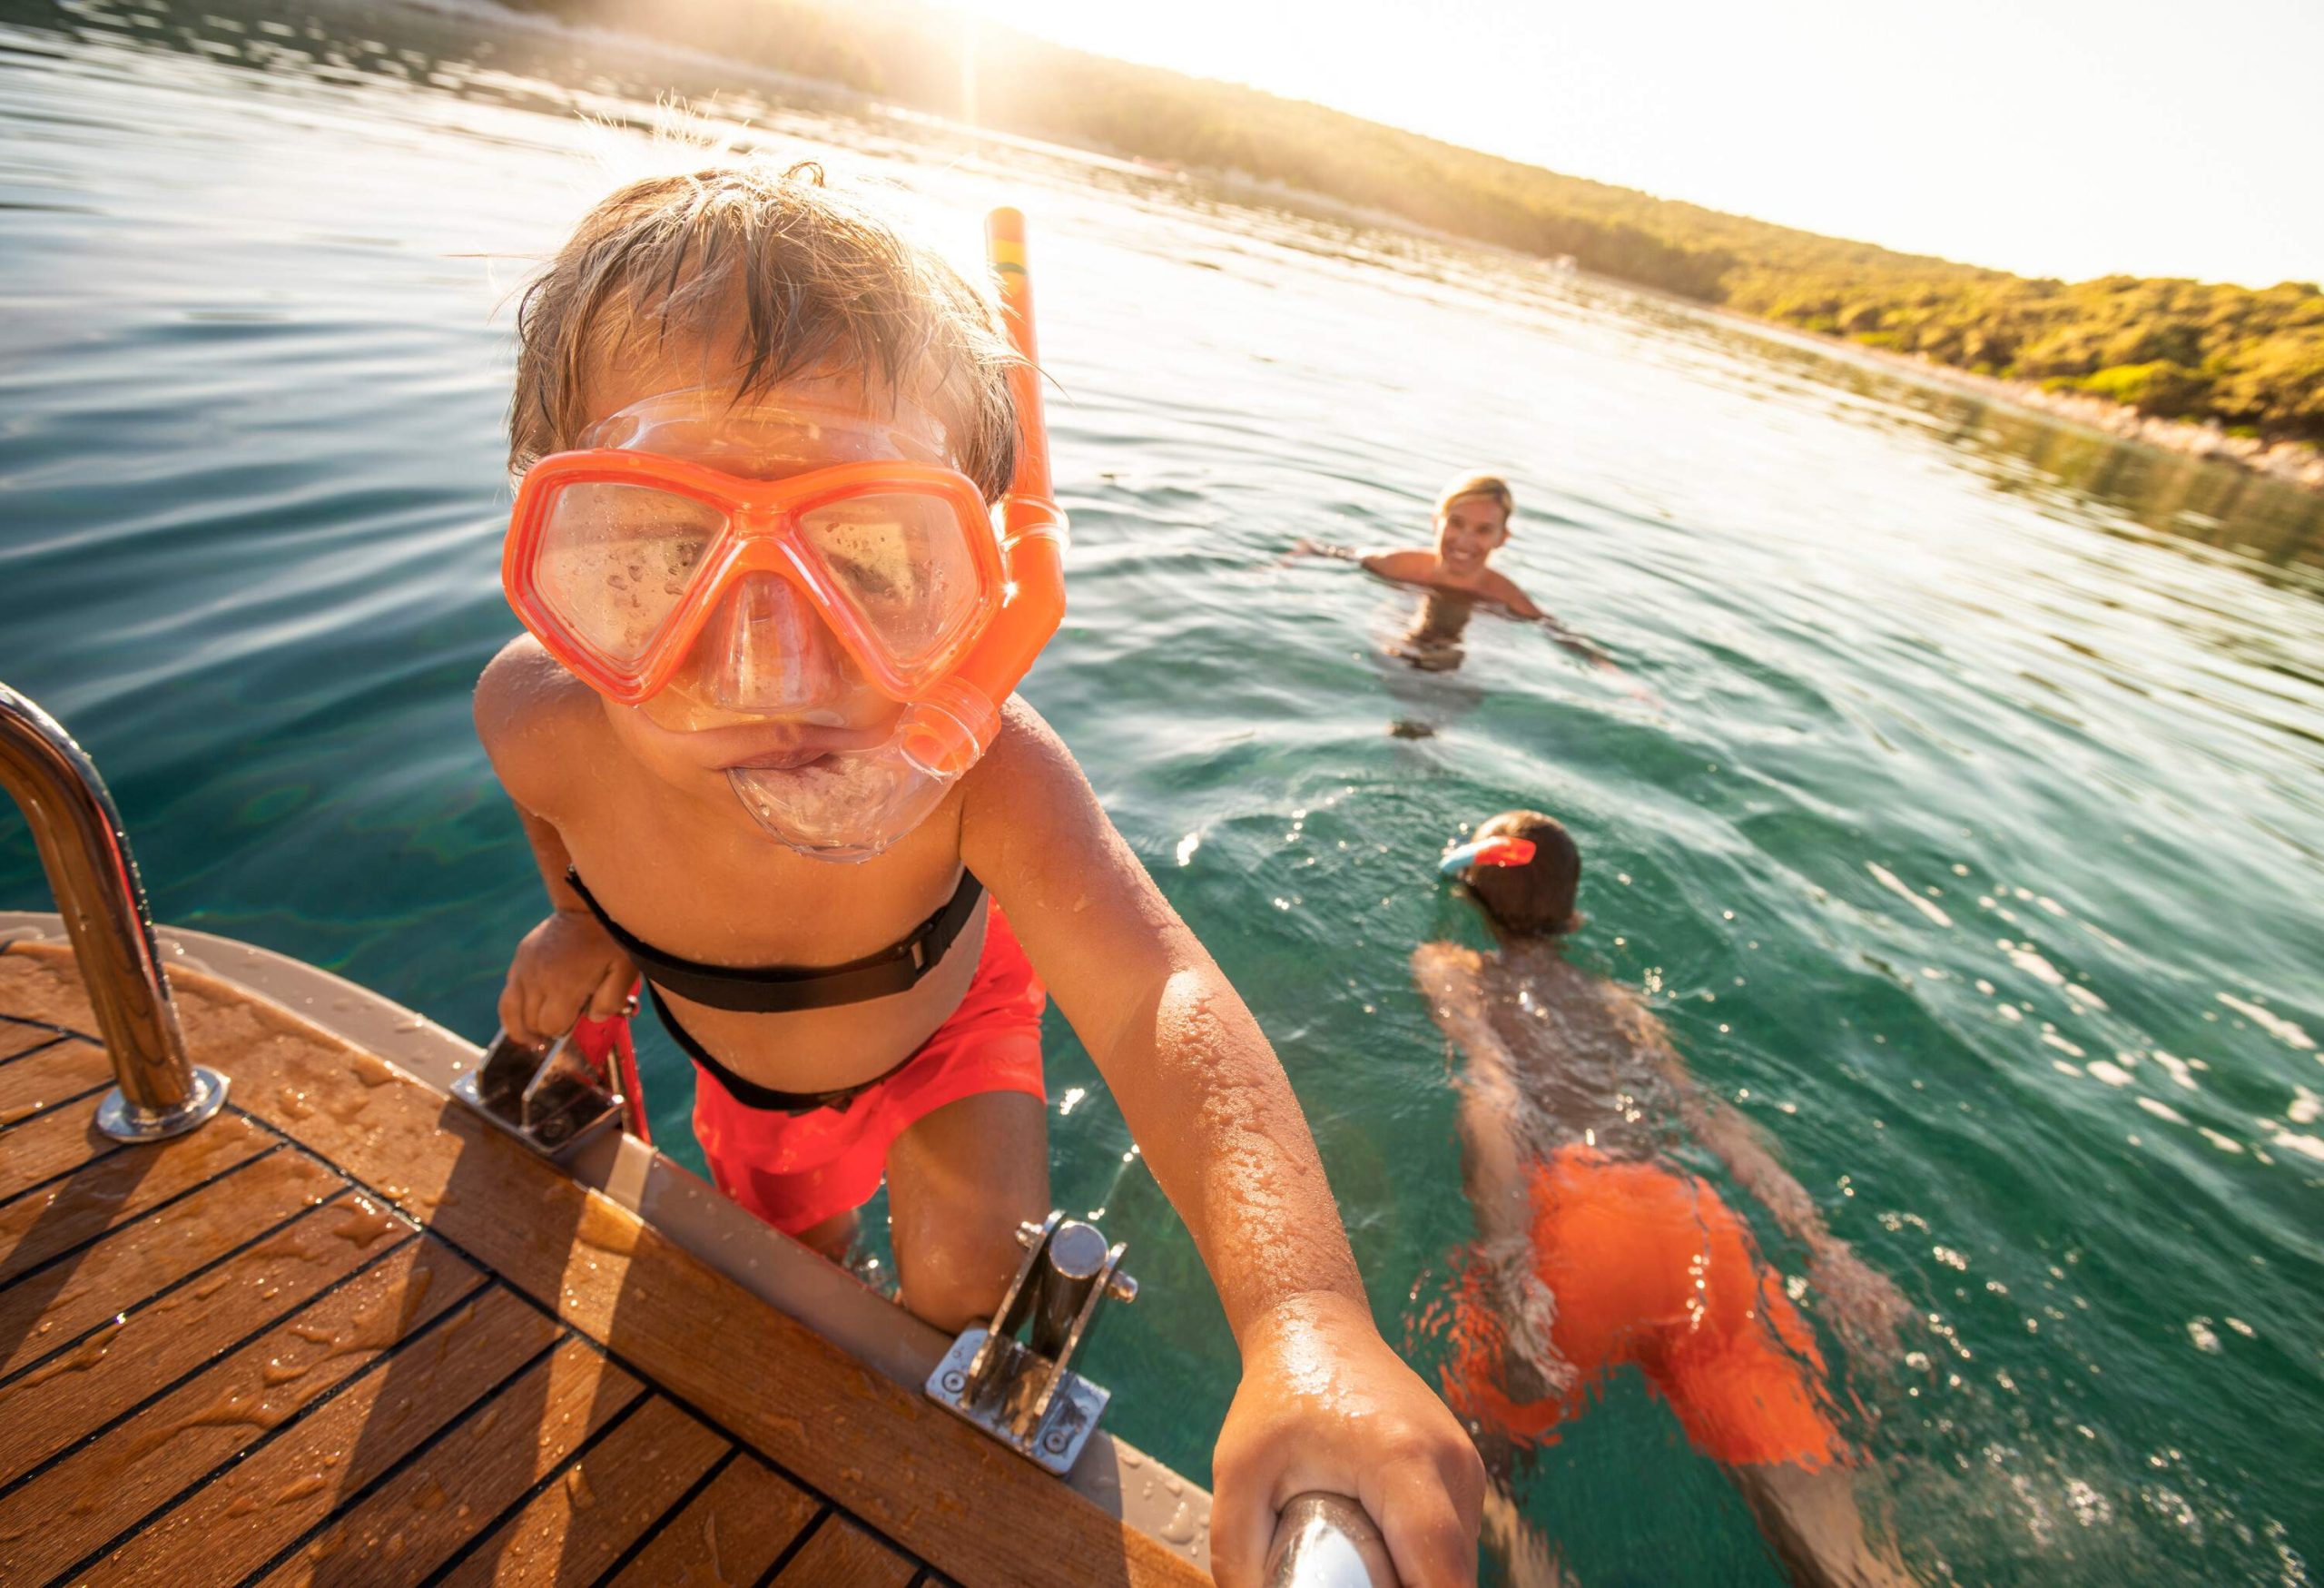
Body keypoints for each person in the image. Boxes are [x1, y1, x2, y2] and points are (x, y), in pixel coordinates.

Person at [477, 163, 1481, 1585]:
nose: (771, 668)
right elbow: (553, 824)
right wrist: (578, 919)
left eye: (872, 560)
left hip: (950, 1020)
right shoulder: (535, 723)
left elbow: (1154, 994)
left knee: (957, 1284)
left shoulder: (986, 771)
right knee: (795, 1268)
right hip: (745, 1068)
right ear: (546, 547)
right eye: (656, 548)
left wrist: (1305, 1320)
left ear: (986, 594)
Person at [1414, 811, 1915, 1588]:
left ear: (1473, 896)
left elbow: (1493, 1099)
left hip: (1577, 1229)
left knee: (1462, 1456)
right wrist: (1829, 1250)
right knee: (1840, 1548)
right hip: (1697, 1230)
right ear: (1574, 917)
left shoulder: (1454, 967)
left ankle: (1531, 1565)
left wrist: (1517, 1279)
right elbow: (1715, 1122)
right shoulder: (1622, 1005)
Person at [1291, 474, 1614, 667]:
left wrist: (1626, 683)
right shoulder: (1401, 565)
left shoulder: (1504, 595)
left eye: (1483, 530)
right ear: (1436, 522)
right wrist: (1274, 568)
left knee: (1450, 669)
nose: (1465, 541)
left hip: (1458, 653)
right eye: (1456, 524)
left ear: (1502, 539)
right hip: (1399, 634)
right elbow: (1319, 548)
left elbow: (1561, 634)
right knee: (1400, 653)